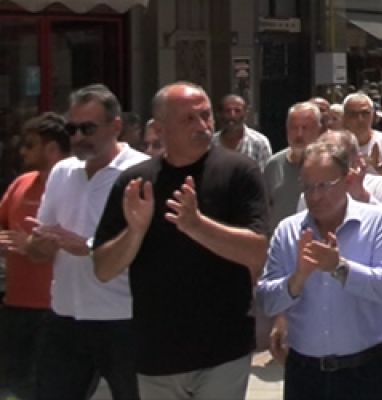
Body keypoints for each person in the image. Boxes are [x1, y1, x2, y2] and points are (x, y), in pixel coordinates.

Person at [93, 82, 269, 399]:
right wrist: (134, 231)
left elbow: (257, 251)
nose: (203, 126)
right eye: (189, 119)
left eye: (205, 116)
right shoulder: (135, 183)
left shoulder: (240, 171)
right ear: (160, 129)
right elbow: (103, 268)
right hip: (156, 355)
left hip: (223, 350)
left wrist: (196, 225)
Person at [30, 86, 149, 400]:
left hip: (122, 318)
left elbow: (151, 244)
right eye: (72, 129)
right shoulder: (61, 172)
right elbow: (41, 241)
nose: (79, 137)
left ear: (116, 126)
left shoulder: (141, 172)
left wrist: (89, 246)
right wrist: (38, 245)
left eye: (88, 128)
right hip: (66, 316)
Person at [258, 142, 382, 400]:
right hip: (305, 373)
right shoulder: (288, 232)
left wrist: (339, 267)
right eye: (308, 187)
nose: (314, 196)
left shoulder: (378, 224)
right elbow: (268, 301)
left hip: (364, 371)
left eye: (324, 186)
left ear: (347, 181)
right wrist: (298, 279)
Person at [0, 113, 67, 399]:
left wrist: (31, 246)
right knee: (13, 383)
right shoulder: (21, 183)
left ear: (52, 149)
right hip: (15, 304)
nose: (22, 151)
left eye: (30, 144)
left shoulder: (73, 186)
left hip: (55, 309)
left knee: (48, 387)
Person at [263, 102, 325, 233]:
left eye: (305, 128)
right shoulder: (273, 165)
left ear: (319, 130)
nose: (299, 134)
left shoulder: (329, 166)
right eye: (294, 128)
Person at [213, 94, 273, 170]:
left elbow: (266, 177)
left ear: (245, 114)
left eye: (237, 111)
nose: (232, 116)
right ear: (219, 114)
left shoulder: (260, 143)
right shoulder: (210, 144)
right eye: (227, 111)